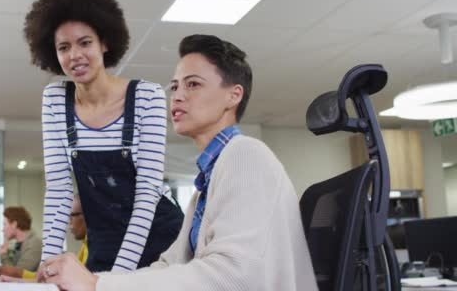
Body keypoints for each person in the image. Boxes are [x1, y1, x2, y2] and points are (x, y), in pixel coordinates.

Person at [36, 34, 318, 291]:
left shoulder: (246, 155)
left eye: (193, 84)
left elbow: (233, 275)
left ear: (234, 95)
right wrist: (92, 281)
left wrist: (96, 284)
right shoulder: (204, 189)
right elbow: (169, 267)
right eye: (174, 86)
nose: (177, 96)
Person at [23, 0, 184, 273]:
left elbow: (147, 192)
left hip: (159, 236)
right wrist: (47, 267)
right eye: (64, 47)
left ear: (105, 42)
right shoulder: (55, 100)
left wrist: (117, 278)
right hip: (104, 239)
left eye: (85, 42)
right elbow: (58, 191)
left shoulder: (147, 97)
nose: (75, 55)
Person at [0, 207, 42, 276]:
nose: (3, 229)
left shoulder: (34, 243)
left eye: (4, 224)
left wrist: (3, 255)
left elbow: (16, 274)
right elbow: (14, 267)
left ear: (14, 224)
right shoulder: (19, 244)